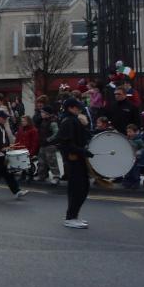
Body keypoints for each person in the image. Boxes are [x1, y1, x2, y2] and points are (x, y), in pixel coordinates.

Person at [58, 98, 93, 229]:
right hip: (74, 160)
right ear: (71, 108)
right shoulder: (68, 122)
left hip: (78, 158)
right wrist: (83, 151)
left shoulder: (73, 120)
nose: (80, 109)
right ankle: (70, 218)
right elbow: (67, 144)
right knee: (77, 189)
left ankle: (74, 216)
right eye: (77, 107)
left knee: (82, 188)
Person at [0, 110, 29, 200]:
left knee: (8, 173)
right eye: (3, 118)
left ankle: (16, 191)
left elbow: (4, 140)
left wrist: (8, 146)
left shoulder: (2, 127)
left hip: (3, 154)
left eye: (6, 118)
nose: (5, 120)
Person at [36, 105, 61, 186]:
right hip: (43, 144)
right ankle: (41, 176)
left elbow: (56, 133)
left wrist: (48, 139)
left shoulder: (53, 122)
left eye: (42, 112)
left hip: (50, 145)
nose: (41, 113)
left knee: (52, 161)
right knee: (41, 161)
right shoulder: (43, 120)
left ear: (47, 113)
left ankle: (56, 177)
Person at [15, 115, 39, 183]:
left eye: (24, 121)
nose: (22, 122)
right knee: (22, 163)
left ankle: (30, 176)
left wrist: (32, 152)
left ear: (28, 121)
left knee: (29, 164)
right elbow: (17, 139)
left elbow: (35, 142)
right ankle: (23, 175)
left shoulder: (33, 130)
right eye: (22, 121)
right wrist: (15, 148)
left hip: (28, 149)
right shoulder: (21, 129)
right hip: (21, 149)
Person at [123, 124, 144, 189]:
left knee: (135, 171)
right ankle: (127, 182)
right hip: (128, 158)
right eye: (127, 132)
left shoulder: (139, 140)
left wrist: (139, 152)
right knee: (128, 170)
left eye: (130, 131)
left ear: (135, 132)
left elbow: (143, 148)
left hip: (136, 159)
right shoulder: (126, 139)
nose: (128, 133)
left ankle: (136, 183)